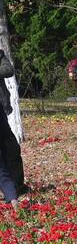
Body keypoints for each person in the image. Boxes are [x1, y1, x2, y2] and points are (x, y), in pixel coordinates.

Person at [0, 50, 28, 196]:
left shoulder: (0, 55)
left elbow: (8, 70)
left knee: (11, 149)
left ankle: (17, 186)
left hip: (1, 109)